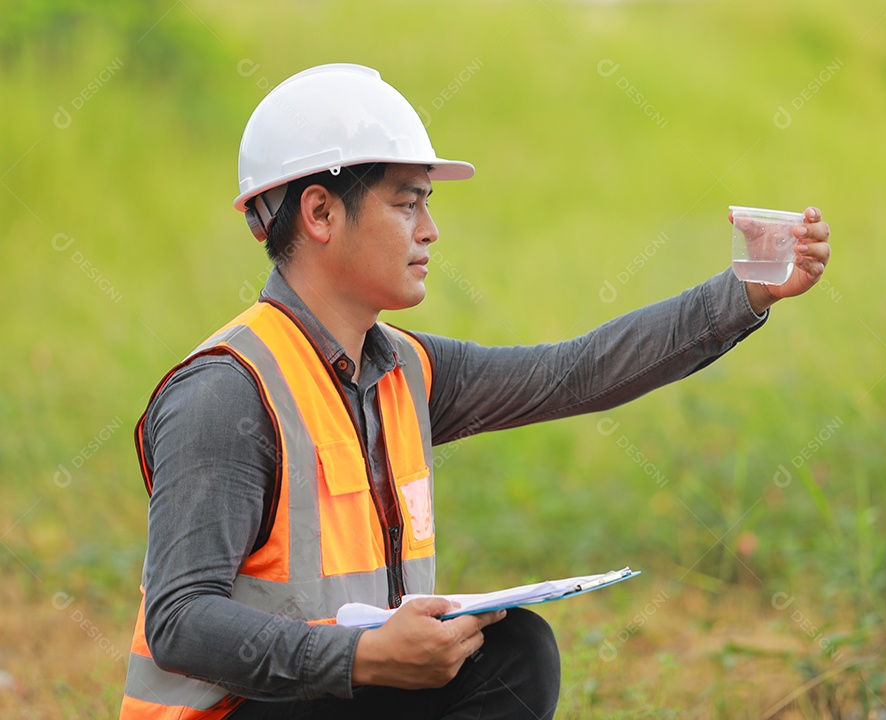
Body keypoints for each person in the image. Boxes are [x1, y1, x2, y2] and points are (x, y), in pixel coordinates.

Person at [119, 63, 831, 719]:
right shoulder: (227, 392)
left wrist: (744, 295)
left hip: (329, 691)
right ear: (320, 213)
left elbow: (575, 373)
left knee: (512, 651)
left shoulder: (404, 368)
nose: (430, 231)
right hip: (240, 711)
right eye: (407, 204)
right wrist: (363, 655)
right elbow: (181, 620)